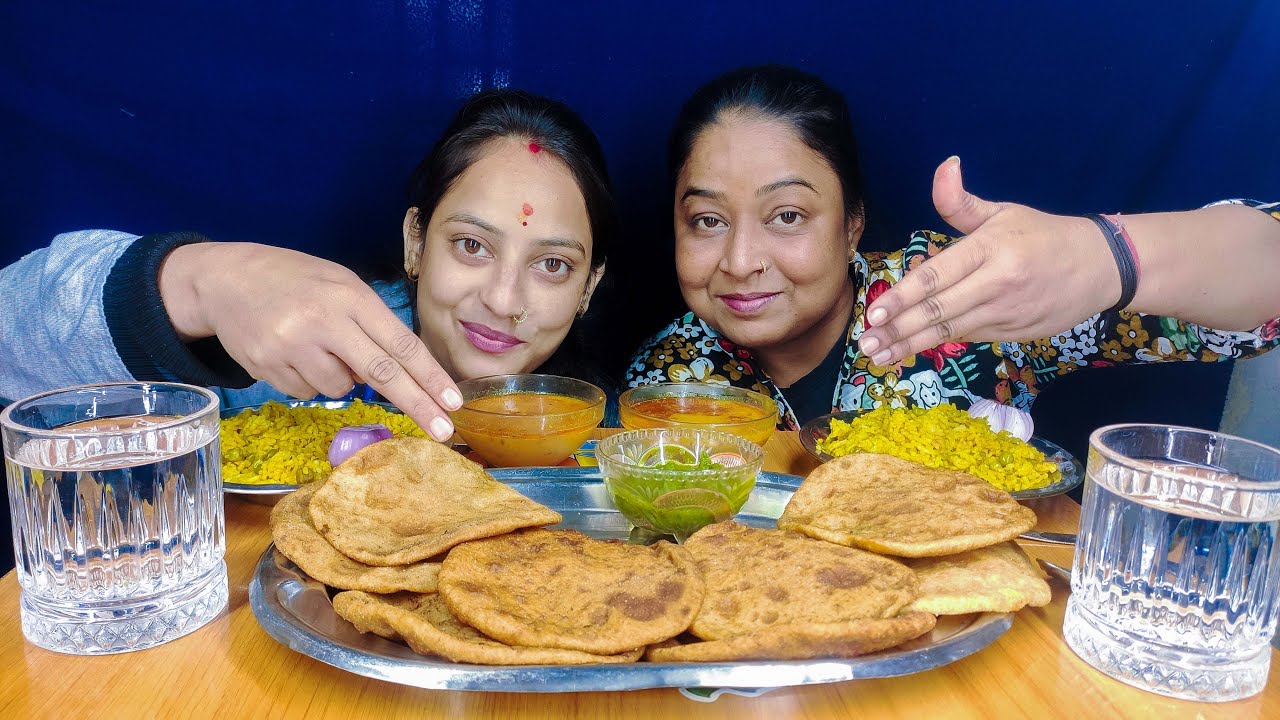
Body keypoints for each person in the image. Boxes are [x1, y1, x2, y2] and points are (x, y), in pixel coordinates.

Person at [625, 65, 1280, 429]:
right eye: (708, 221)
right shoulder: (668, 374)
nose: (741, 261)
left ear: (853, 221)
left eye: (788, 215)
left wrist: (1103, 255)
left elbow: (1262, 299)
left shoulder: (965, 294)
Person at [1, 89, 617, 440]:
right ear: (415, 241)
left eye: (553, 265)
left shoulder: (625, 441)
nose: (505, 299)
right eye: (472, 246)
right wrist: (195, 284)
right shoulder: (278, 373)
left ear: (590, 287)